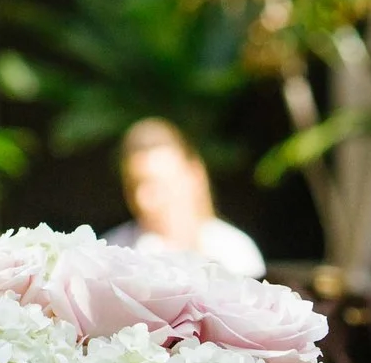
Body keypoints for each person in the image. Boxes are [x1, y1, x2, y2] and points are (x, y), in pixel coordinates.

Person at [106, 118, 266, 278]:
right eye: (134, 185)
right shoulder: (111, 253)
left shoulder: (234, 251)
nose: (143, 200)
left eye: (160, 184)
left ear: (194, 175)